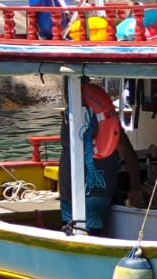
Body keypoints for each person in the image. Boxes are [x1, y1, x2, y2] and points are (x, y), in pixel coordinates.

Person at [58, 81, 143, 235]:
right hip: (71, 196)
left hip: (88, 197)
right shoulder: (70, 116)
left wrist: (135, 187)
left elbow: (128, 152)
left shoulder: (102, 119)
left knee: (87, 241)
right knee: (76, 239)